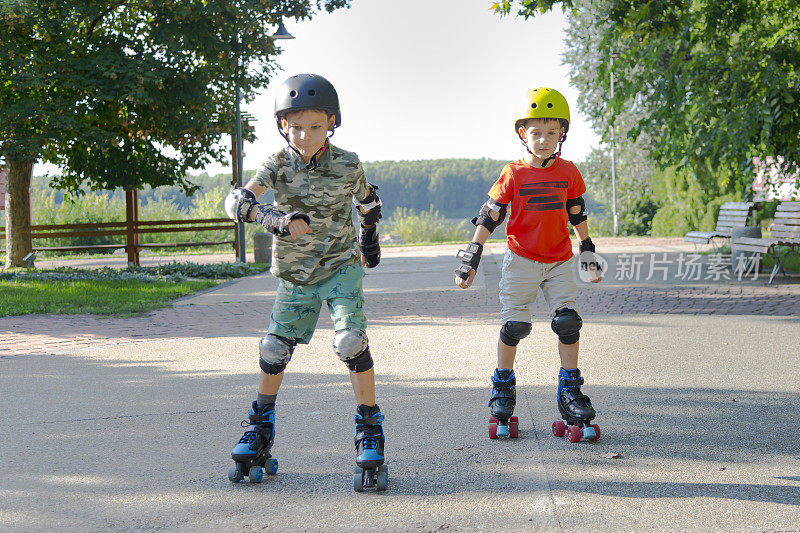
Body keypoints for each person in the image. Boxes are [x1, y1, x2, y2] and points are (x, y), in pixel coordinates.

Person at [224, 73, 387, 487]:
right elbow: (238, 200)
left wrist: (369, 243)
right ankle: (260, 427)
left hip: (341, 267)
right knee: (274, 348)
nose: (306, 135)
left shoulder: (349, 162)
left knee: (350, 342)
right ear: (283, 126)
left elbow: (368, 203)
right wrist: (272, 218)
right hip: (296, 275)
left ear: (332, 122)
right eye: (296, 126)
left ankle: (369, 428)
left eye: (315, 126)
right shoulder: (277, 164)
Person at [454, 87, 603, 442]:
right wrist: (471, 257)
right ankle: (502, 386)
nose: (545, 140)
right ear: (523, 134)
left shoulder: (569, 171)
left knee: (567, 322)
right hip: (520, 260)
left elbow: (576, 211)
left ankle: (570, 389)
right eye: (537, 132)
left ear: (562, 135)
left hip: (559, 262)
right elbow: (490, 214)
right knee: (515, 326)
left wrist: (588, 251)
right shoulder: (513, 173)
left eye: (552, 133)